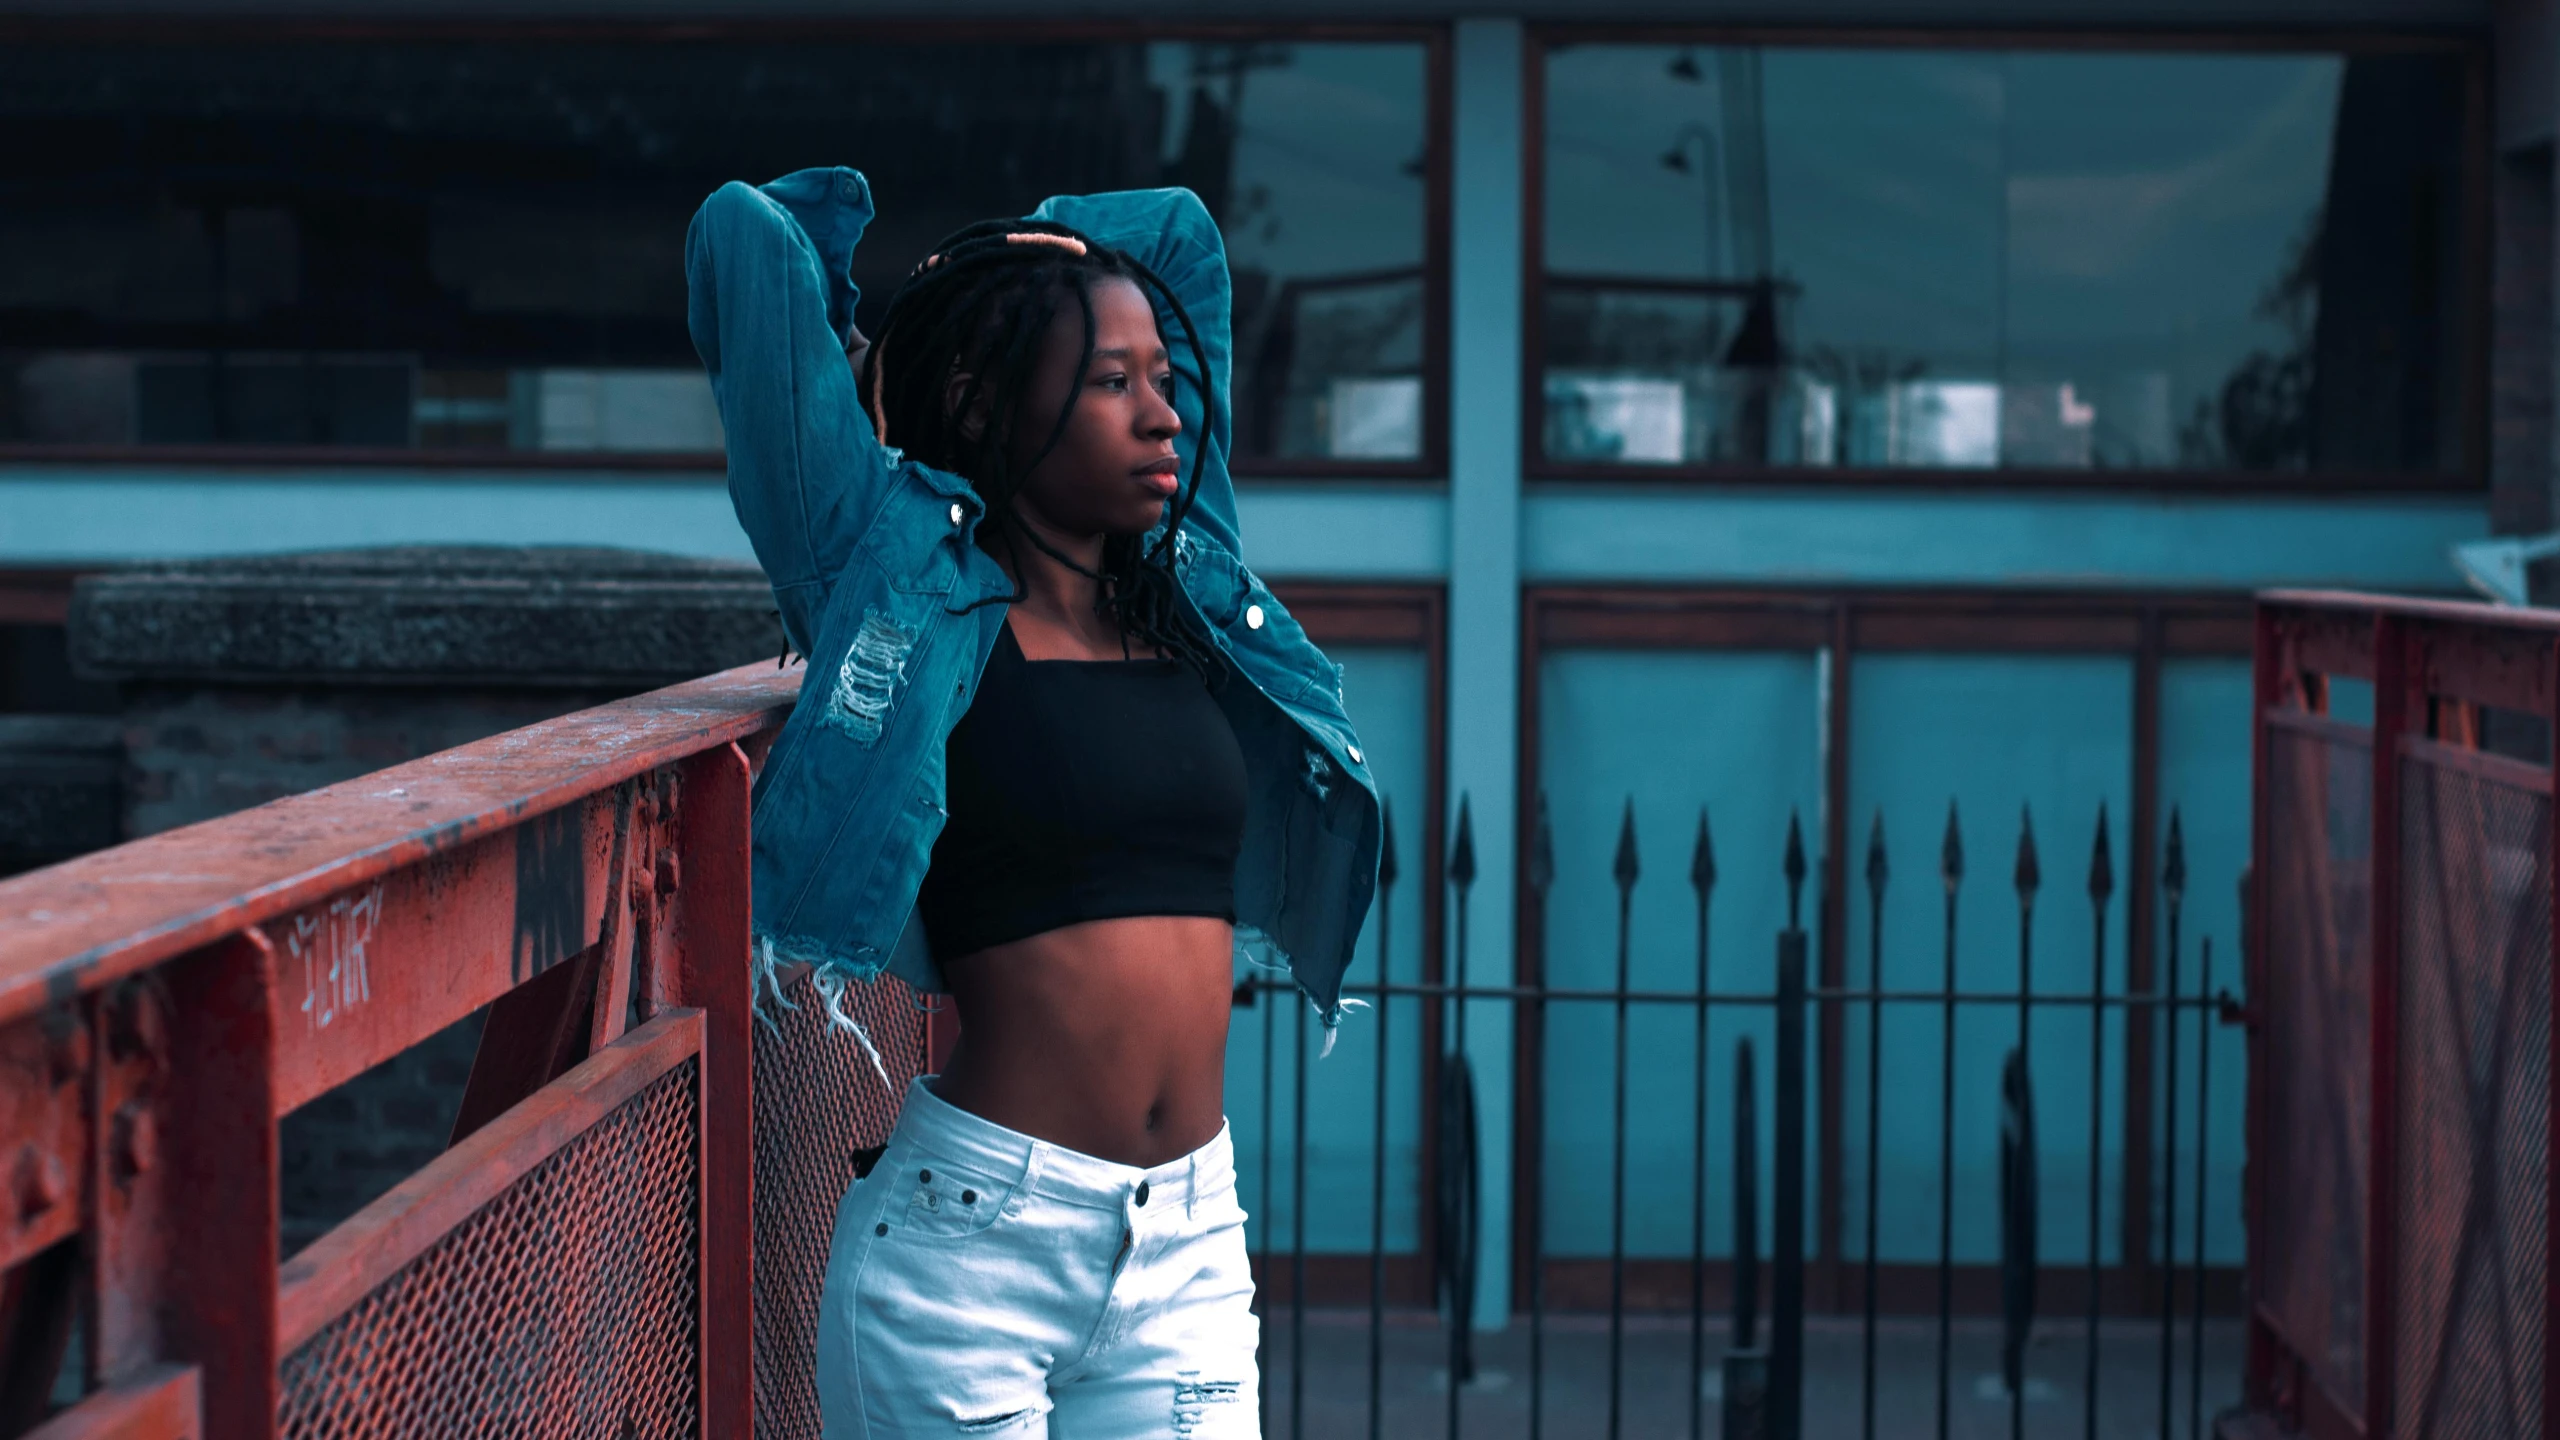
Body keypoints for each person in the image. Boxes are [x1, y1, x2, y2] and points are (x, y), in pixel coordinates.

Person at [687, 166, 1381, 1439]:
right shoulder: (896, 586)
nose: (1164, 417)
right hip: (971, 1260)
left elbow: (1178, 236)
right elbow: (742, 243)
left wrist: (1051, 279)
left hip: (1187, 1246)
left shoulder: (1184, 595)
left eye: (1164, 380)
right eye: (1113, 384)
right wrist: (937, 306)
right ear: (982, 401)